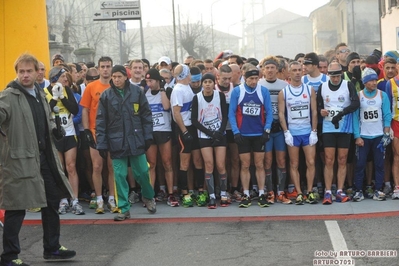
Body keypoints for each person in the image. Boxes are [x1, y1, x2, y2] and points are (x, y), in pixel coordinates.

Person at [0, 53, 76, 266]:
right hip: (19, 162)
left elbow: (45, 120)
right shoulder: (8, 96)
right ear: (17, 73)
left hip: (45, 158)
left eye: (29, 71)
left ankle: (52, 248)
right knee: (16, 208)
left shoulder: (40, 94)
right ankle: (9, 256)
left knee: (52, 202)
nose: (25, 75)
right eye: (21, 71)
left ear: (36, 73)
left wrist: (54, 129)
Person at [96, 65, 155, 221]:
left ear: (125, 77)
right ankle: (123, 208)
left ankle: (148, 197)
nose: (116, 79)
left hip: (136, 140)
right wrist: (101, 143)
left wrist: (148, 136)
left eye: (119, 76)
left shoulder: (137, 92)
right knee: (120, 175)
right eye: (114, 77)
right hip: (116, 142)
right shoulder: (106, 96)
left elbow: (146, 116)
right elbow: (101, 121)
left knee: (142, 172)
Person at [228, 69, 273, 208]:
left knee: (260, 165)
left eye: (256, 78)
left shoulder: (263, 91)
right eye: (251, 79)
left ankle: (261, 194)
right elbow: (232, 113)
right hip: (243, 135)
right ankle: (246, 194)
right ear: (244, 78)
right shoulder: (237, 91)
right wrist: (236, 131)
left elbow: (269, 112)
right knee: (245, 165)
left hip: (259, 134)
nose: (253, 81)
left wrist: (267, 130)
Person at [317, 62, 360, 204]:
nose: (335, 79)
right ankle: (328, 191)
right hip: (329, 128)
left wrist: (342, 113)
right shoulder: (322, 87)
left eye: (337, 76)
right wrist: (321, 111)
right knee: (329, 160)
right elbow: (318, 107)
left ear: (341, 73)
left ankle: (340, 190)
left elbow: (355, 104)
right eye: (332, 76)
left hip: (344, 128)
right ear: (328, 75)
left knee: (342, 159)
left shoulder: (348, 85)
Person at [80, 56, 118, 214]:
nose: (105, 69)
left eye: (108, 66)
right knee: (97, 166)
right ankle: (99, 199)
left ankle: (112, 198)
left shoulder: (117, 86)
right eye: (102, 66)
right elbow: (85, 109)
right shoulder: (91, 87)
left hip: (113, 132)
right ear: (99, 67)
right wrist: (87, 130)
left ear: (112, 67)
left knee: (111, 167)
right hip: (96, 131)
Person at [44, 67, 83, 215]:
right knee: (60, 168)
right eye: (63, 77)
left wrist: (62, 97)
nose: (66, 80)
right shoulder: (46, 92)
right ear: (55, 78)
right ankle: (63, 199)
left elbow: (74, 109)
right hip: (55, 134)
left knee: (71, 166)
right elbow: (46, 111)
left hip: (69, 132)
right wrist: (54, 99)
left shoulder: (67, 91)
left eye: (66, 77)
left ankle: (75, 199)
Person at [278, 61, 318, 205]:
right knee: (294, 163)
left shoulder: (309, 90)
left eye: (299, 70)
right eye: (294, 70)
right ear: (289, 73)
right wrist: (286, 132)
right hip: (293, 133)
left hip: (307, 131)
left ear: (303, 72)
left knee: (311, 162)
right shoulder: (284, 92)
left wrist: (314, 131)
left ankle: (310, 191)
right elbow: (281, 114)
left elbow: (314, 111)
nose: (296, 73)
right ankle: (299, 192)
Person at [352, 68, 391, 202]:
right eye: (371, 81)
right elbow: (355, 117)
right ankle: (358, 190)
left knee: (379, 164)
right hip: (364, 136)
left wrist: (386, 134)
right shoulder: (359, 95)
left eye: (375, 80)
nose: (374, 83)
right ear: (365, 82)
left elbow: (387, 115)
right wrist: (357, 136)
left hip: (378, 136)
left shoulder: (382, 95)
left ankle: (378, 190)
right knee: (360, 164)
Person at [192, 73, 228, 208]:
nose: (207, 84)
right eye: (205, 82)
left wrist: (219, 132)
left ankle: (223, 193)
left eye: (210, 82)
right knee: (209, 165)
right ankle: (212, 195)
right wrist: (209, 133)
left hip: (219, 134)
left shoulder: (220, 96)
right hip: (204, 135)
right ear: (202, 83)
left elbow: (225, 116)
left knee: (220, 165)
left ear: (214, 83)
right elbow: (194, 120)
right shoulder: (197, 98)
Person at [259, 56, 291, 204]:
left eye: (273, 68)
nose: (270, 70)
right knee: (267, 160)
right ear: (263, 70)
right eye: (267, 68)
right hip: (265, 128)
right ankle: (270, 191)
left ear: (277, 69)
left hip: (279, 127)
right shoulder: (258, 84)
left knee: (281, 160)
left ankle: (281, 192)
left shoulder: (284, 85)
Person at [170, 64, 204, 207]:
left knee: (197, 160)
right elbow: (176, 112)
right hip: (184, 129)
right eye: (188, 72)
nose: (191, 74)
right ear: (185, 75)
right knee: (184, 163)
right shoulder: (178, 89)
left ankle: (201, 190)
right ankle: (184, 193)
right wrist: (184, 131)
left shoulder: (186, 86)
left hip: (193, 127)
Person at [144, 68, 178, 207]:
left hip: (164, 131)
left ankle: (170, 193)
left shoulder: (167, 92)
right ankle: (150, 194)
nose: (149, 84)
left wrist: (162, 89)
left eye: (151, 81)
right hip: (151, 132)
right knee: (151, 164)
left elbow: (165, 106)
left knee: (167, 163)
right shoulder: (144, 94)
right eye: (147, 81)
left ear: (158, 81)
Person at [385, 57, 399, 199]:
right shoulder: (391, 83)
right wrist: (389, 127)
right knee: (396, 156)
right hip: (396, 122)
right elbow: (388, 107)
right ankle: (397, 187)